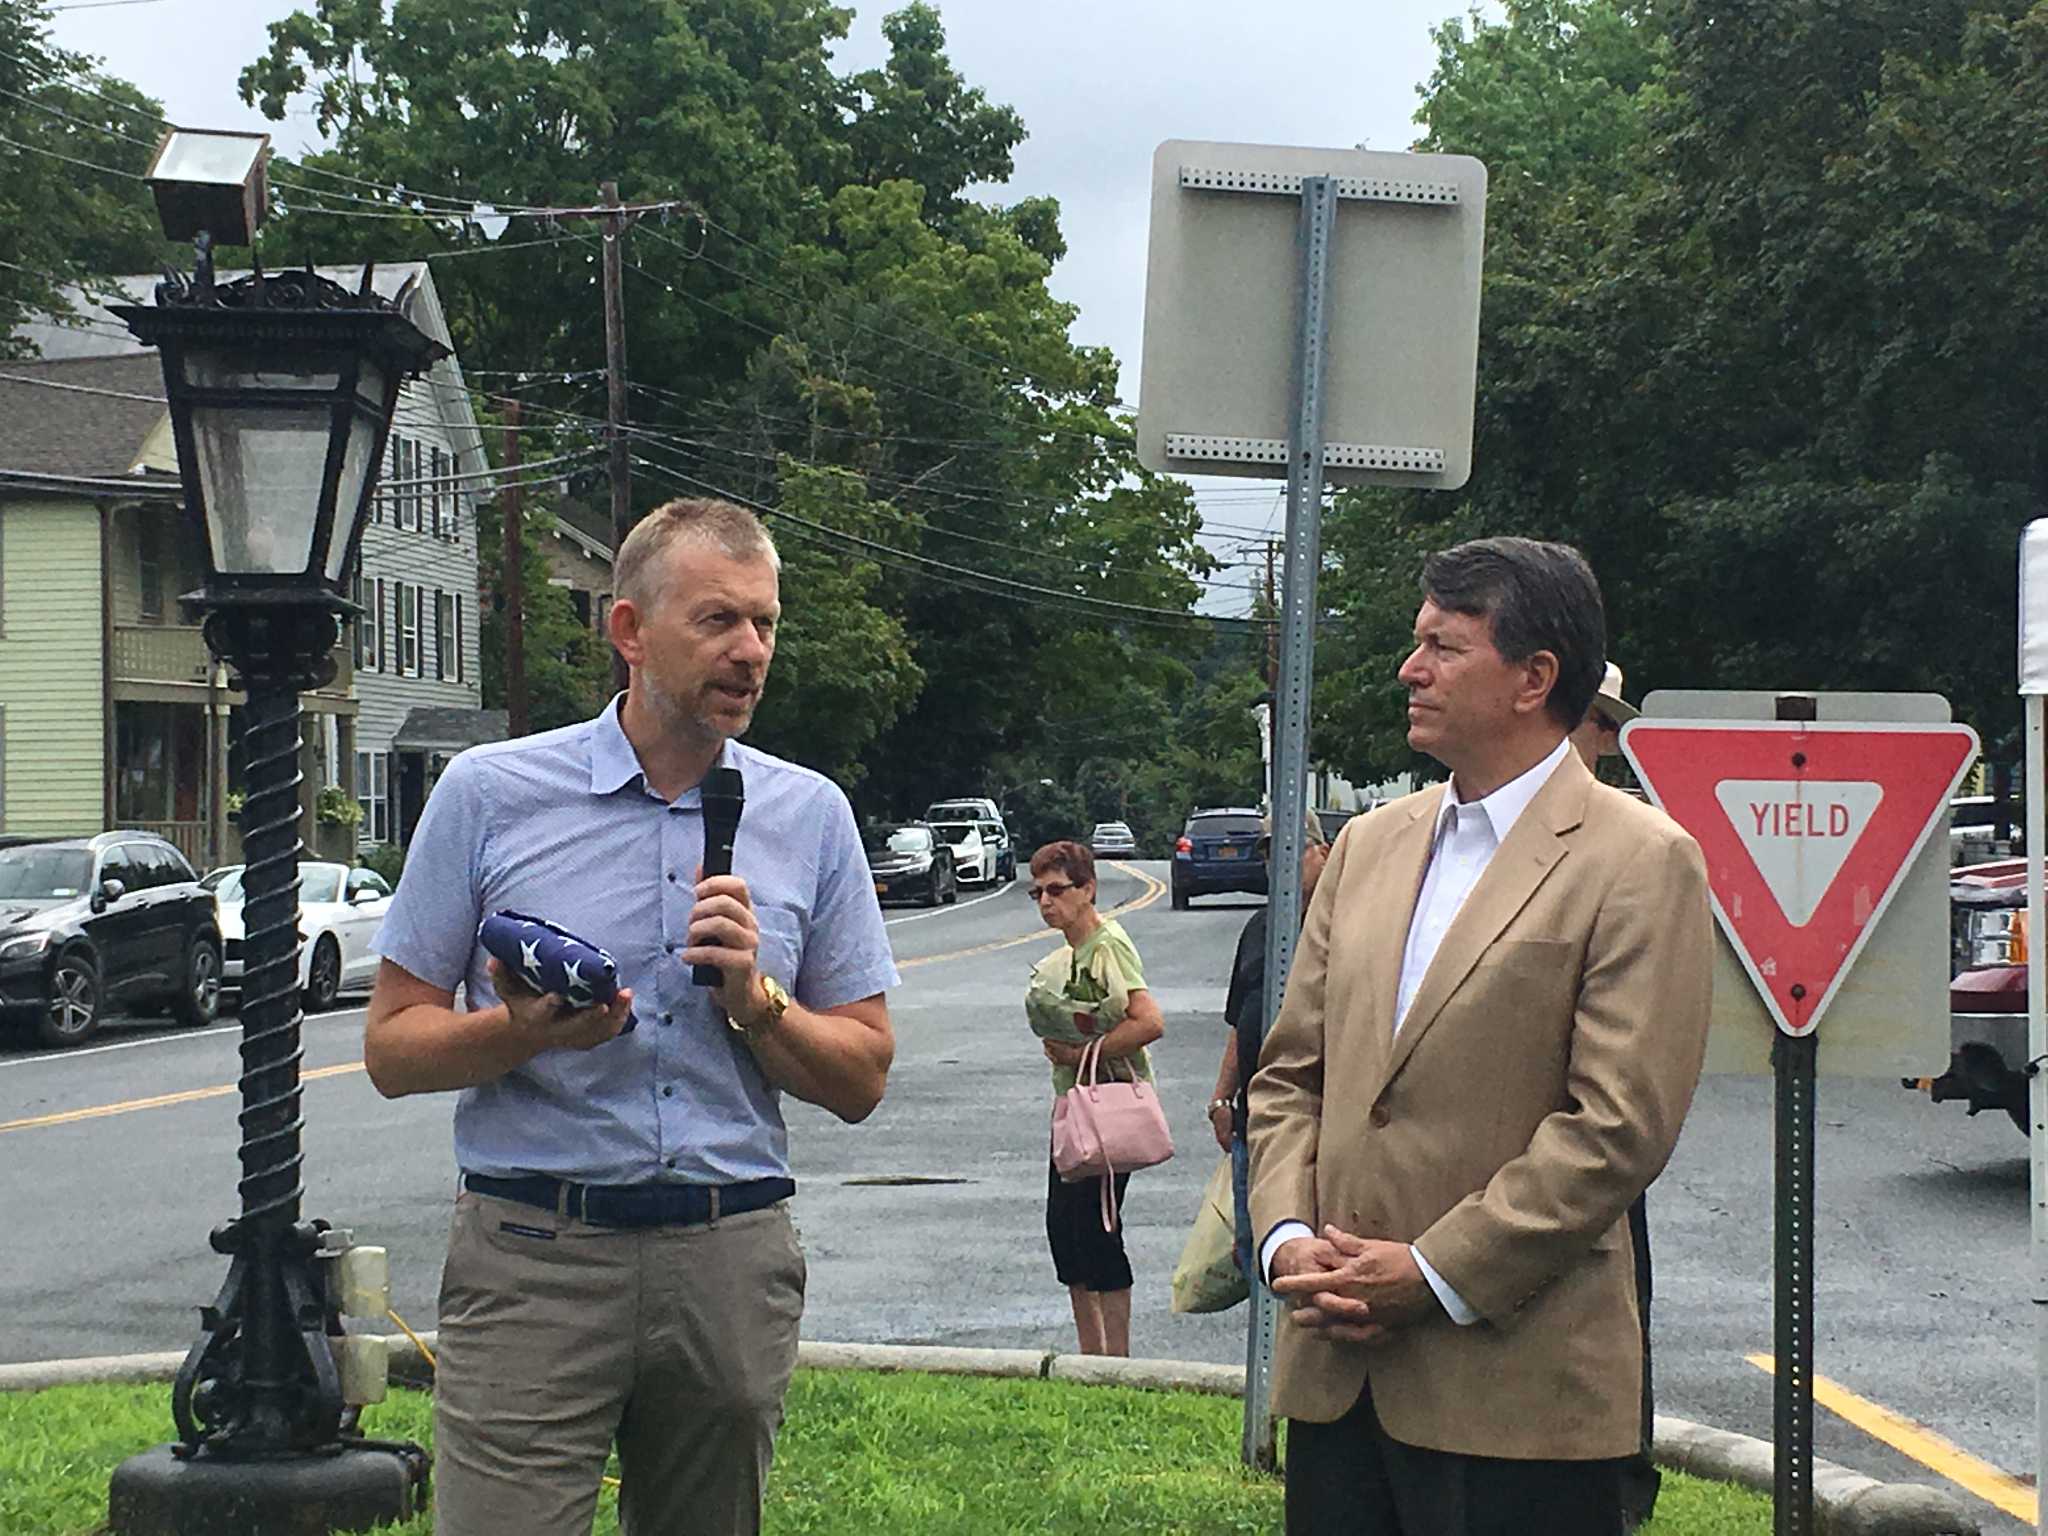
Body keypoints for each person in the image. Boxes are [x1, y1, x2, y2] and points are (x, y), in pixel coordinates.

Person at [363, 497, 899, 1536]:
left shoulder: (810, 815)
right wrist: (521, 1032)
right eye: (717, 622)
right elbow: (390, 1047)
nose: (751, 652)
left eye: (766, 623)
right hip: (533, 1253)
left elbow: (864, 1076)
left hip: (726, 1256)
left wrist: (759, 1004)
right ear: (627, 632)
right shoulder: (489, 795)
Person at [1248, 537, 1713, 1536]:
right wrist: (1285, 1240)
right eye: (1416, 642)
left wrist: (1431, 1270)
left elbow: (1616, 1127)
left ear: (1533, 679)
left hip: (1519, 1401)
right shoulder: (1370, 846)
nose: (1408, 669)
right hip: (1338, 1379)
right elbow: (1290, 1076)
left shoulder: (1639, 861)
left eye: (1442, 646)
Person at [1572, 661, 1662, 1532]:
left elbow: (1626, 1108)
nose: (1600, 740)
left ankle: (1624, 1480)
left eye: (1606, 726)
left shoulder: (1638, 850)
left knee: (1622, 1312)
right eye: (1594, 721)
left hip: (1590, 1185)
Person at [1025, 839, 1165, 1357]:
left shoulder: (1108, 944)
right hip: (1075, 1105)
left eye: (1057, 890)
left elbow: (1148, 1021)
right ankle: (1090, 1353)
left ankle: (1117, 1359)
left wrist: (1082, 1050)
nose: (1046, 902)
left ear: (1088, 890)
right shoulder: (1068, 954)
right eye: (1037, 892)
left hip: (1107, 1107)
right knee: (1065, 1229)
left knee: (1098, 1226)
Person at [1207, 812, 1332, 1282]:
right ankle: (1267, 1356)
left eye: (1291, 851)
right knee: (1255, 1251)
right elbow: (1242, 1019)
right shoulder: (1260, 928)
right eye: (1268, 854)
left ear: (1323, 852)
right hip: (1253, 1119)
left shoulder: (1348, 925)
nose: (1278, 865)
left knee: (1310, 1255)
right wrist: (1222, 1097)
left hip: (1318, 1117)